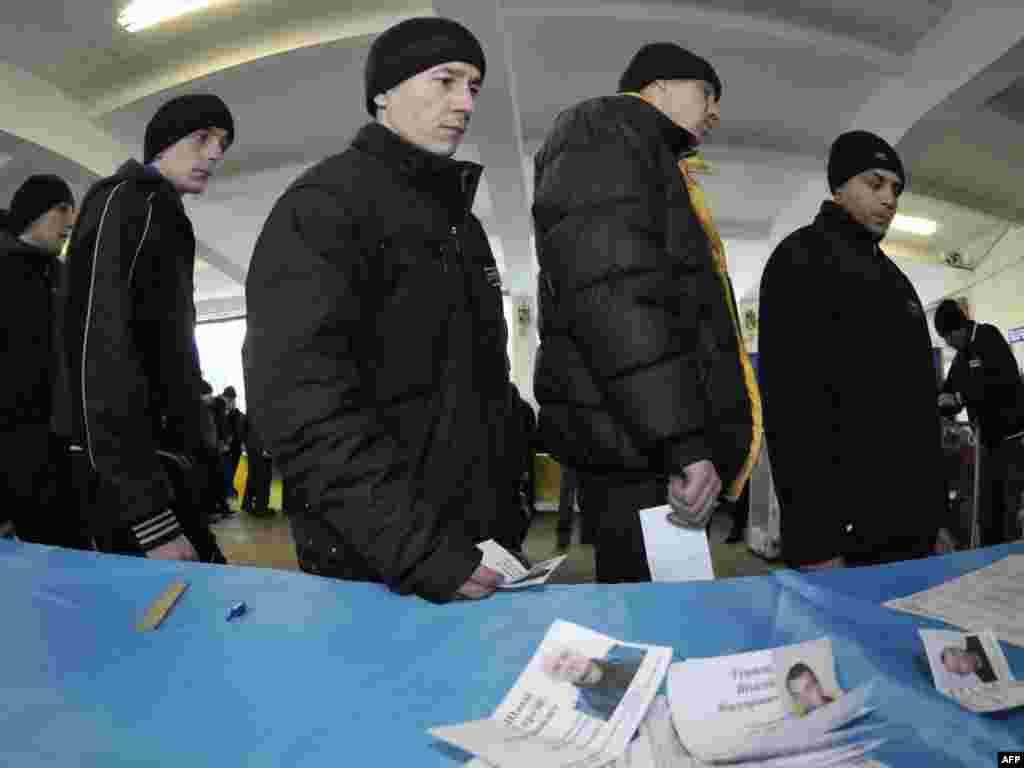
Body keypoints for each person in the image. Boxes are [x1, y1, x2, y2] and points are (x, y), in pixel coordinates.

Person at [244, 17, 529, 603]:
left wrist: (511, 490)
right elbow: (300, 404)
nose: (465, 101)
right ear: (382, 92)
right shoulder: (325, 206)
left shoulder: (462, 226)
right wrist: (415, 546)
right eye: (446, 80)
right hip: (376, 558)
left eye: (474, 86)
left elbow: (478, 385)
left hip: (475, 543)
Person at [532, 42, 762, 582]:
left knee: (661, 613)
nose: (716, 113)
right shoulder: (607, 132)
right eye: (708, 93)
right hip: (643, 448)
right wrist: (680, 441)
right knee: (653, 616)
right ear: (657, 87)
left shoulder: (642, 153)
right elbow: (618, 299)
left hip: (647, 439)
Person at [758, 131, 954, 570]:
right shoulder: (801, 259)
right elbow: (792, 407)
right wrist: (814, 539)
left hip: (912, 526)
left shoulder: (896, 281)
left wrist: (936, 518)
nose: (889, 199)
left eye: (896, 189)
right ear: (840, 185)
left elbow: (920, 411)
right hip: (844, 535)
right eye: (875, 182)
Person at [64, 94, 234, 562]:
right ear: (162, 143)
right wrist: (148, 515)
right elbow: (100, 354)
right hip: (132, 484)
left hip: (161, 470)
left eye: (222, 144)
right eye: (202, 138)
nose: (216, 153)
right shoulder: (126, 203)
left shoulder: (159, 211)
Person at [0, 174, 89, 549]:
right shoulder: (5, 270)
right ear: (33, 212)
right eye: (61, 208)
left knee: (67, 556)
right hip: (13, 449)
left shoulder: (58, 273)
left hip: (58, 445)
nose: (71, 219)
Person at [935, 299, 1024, 545]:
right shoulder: (961, 358)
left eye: (948, 337)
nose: (948, 344)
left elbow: (1005, 381)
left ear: (960, 328)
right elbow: (950, 392)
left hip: (1010, 440)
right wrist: (942, 402)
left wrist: (961, 396)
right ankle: (990, 560)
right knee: (987, 508)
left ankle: (1014, 564)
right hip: (985, 442)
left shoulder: (988, 337)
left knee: (1008, 507)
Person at [542, 645, 647, 721]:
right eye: (557, 668)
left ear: (577, 651)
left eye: (565, 656)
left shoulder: (622, 651)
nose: (567, 664)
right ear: (558, 680)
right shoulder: (588, 710)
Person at [221, 386, 246, 500]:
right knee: (228, 470)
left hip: (234, 447)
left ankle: (229, 490)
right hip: (226, 448)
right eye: (229, 399)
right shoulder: (220, 412)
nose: (231, 402)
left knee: (231, 469)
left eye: (232, 400)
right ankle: (229, 491)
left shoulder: (236, 414)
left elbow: (239, 429)